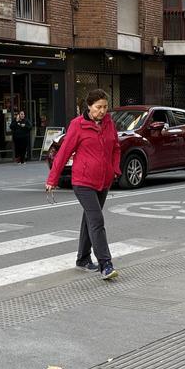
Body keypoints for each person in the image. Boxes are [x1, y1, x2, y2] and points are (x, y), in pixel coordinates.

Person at [46, 89, 122, 281]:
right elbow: (63, 153)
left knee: (90, 218)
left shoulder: (109, 124)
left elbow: (116, 148)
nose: (102, 111)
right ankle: (106, 264)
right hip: (83, 181)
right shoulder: (77, 125)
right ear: (89, 106)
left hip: (103, 180)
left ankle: (83, 258)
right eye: (98, 107)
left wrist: (115, 169)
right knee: (97, 220)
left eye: (105, 107)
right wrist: (52, 179)